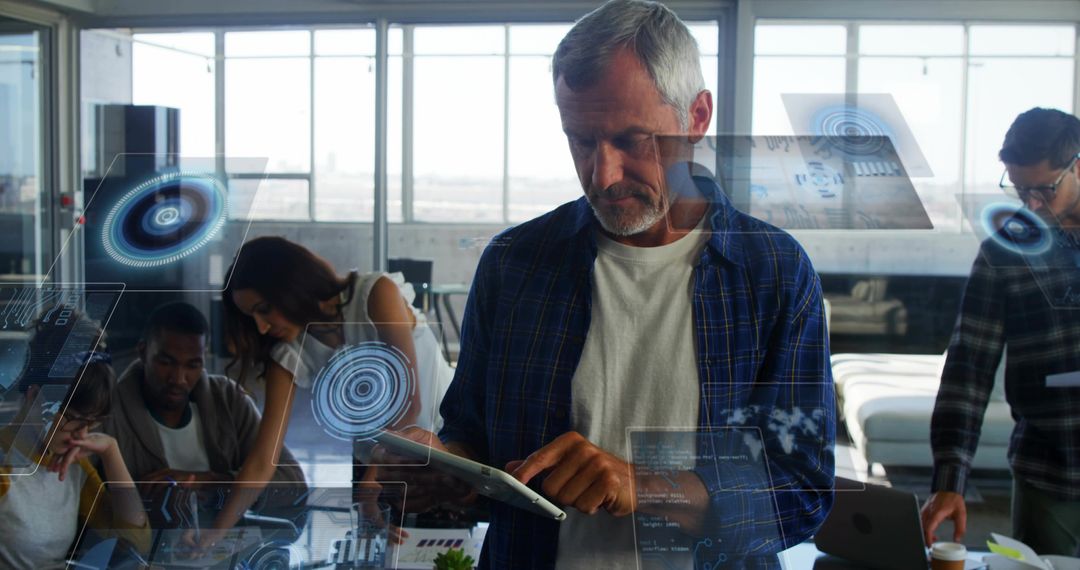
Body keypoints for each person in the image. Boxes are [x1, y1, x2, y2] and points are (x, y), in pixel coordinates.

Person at [385, 1, 835, 568]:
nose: (604, 174)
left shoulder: (773, 274)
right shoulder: (514, 264)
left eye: (631, 140)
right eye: (580, 141)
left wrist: (641, 486)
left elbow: (802, 494)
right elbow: (471, 438)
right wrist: (441, 469)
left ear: (697, 117)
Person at [181, 236, 451, 552]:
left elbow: (408, 402)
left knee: (452, 550)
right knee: (391, 555)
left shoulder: (375, 294)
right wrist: (214, 535)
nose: (262, 327)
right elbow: (261, 461)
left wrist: (373, 477)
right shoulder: (289, 351)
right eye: (252, 318)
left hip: (446, 446)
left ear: (290, 286)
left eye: (264, 309)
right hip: (379, 469)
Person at [921, 108, 1080, 556]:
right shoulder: (1003, 254)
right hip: (1048, 475)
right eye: (1018, 188)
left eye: (1044, 189)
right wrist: (950, 480)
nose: (1030, 203)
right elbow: (968, 370)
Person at [102, 301, 309, 531]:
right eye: (166, 362)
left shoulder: (229, 401)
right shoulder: (108, 412)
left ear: (204, 359)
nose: (179, 378)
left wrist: (212, 482)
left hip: (224, 552)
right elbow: (87, 506)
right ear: (142, 352)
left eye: (192, 365)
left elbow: (293, 484)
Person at [0, 318, 148, 569]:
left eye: (92, 423)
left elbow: (136, 543)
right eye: (73, 419)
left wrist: (111, 451)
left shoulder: (71, 463)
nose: (82, 434)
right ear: (34, 395)